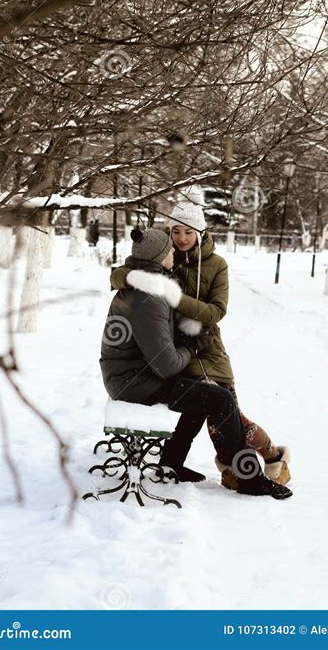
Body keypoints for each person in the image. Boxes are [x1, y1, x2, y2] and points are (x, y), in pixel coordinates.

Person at [111, 189, 291, 489]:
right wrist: (136, 279)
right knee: (214, 408)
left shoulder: (216, 264)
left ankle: (272, 458)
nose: (182, 238)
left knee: (231, 412)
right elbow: (118, 276)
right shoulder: (163, 257)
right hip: (173, 349)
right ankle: (232, 471)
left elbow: (216, 311)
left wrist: (175, 297)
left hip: (206, 347)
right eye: (177, 231)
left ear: (200, 231)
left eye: (189, 232)